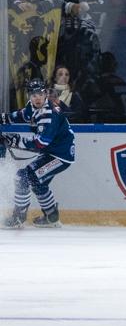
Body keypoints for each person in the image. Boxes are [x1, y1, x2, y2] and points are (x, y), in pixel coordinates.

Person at [0, 80, 76, 229]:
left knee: (24, 177)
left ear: (45, 93)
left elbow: (41, 143)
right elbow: (21, 115)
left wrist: (15, 140)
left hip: (60, 156)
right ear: (29, 95)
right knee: (38, 184)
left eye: (40, 94)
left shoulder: (49, 114)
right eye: (34, 95)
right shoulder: (33, 106)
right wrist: (3, 118)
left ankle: (18, 217)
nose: (37, 98)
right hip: (53, 153)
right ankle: (52, 216)